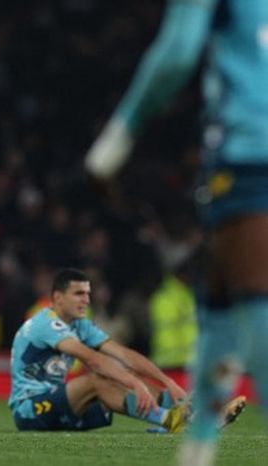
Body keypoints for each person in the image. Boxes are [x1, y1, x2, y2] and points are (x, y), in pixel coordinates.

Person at [85, 1, 266, 464]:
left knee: (256, 320)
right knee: (219, 304)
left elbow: (178, 53)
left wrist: (116, 141)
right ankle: (197, 450)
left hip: (251, 154)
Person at [8, 268, 244, 434]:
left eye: (88, 293)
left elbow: (123, 355)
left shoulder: (80, 325)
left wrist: (165, 381)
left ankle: (201, 418)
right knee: (96, 381)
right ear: (58, 298)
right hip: (30, 410)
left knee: (122, 384)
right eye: (79, 294)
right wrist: (134, 384)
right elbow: (93, 359)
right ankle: (171, 420)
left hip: (60, 405)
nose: (86, 300)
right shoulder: (45, 323)